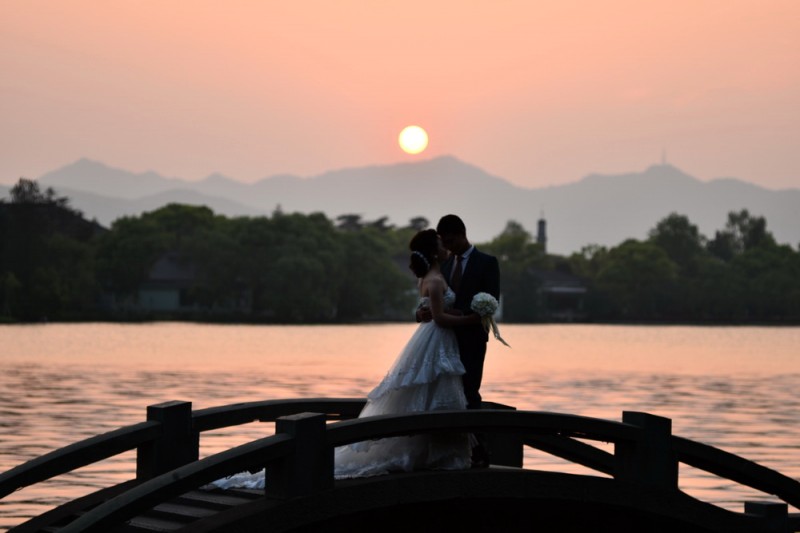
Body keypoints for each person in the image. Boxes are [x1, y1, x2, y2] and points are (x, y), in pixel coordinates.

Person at [207, 229, 475, 489]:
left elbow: (427, 311)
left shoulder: (430, 278)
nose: (445, 247)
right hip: (437, 339)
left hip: (433, 339)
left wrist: (441, 313)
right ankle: (434, 455)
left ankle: (430, 453)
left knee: (428, 391)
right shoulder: (435, 280)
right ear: (433, 252)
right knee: (431, 389)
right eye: (440, 244)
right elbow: (439, 317)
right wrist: (470, 319)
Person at [418, 214, 500, 467]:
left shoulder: (487, 263)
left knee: (470, 393)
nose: (448, 246)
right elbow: (429, 302)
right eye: (444, 242)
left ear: (462, 234)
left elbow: (491, 301)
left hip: (472, 339)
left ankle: (478, 453)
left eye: (451, 240)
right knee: (444, 395)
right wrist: (421, 314)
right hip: (442, 343)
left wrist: (461, 314)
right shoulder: (442, 266)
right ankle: (447, 452)